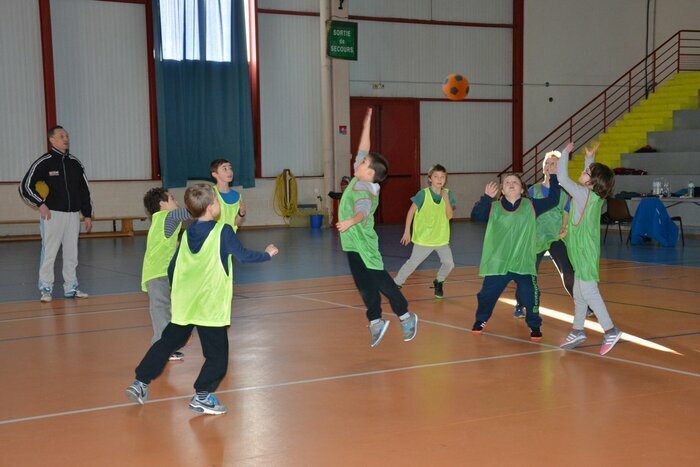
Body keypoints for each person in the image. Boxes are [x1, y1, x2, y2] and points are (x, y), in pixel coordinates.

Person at [126, 183, 278, 415]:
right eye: (216, 201)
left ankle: (140, 381)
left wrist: (179, 291)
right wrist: (267, 255)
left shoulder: (187, 233)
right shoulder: (222, 231)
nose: (218, 204)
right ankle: (202, 396)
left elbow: (173, 267)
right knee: (217, 356)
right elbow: (244, 256)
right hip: (209, 304)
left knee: (166, 343)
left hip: (186, 303)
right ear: (211, 207)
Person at [336, 108, 418, 347]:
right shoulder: (360, 177)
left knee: (382, 283)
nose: (358, 161)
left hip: (364, 245)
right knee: (364, 286)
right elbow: (364, 148)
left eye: (363, 162)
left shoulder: (364, 189)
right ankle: (376, 322)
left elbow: (361, 212)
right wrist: (367, 123)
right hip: (352, 245)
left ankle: (406, 316)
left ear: (369, 172)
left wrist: (351, 220)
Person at [470, 171, 560, 341]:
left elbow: (554, 200)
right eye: (507, 182)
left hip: (523, 263)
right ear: (502, 190)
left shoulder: (531, 205)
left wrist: (554, 177)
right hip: (498, 263)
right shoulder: (493, 207)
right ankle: (481, 320)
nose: (511, 184)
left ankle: (534, 325)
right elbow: (476, 216)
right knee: (486, 296)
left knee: (531, 295)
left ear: (521, 189)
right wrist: (486, 198)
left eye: (515, 182)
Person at [557, 142, 622, 355]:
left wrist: (565, 154)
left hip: (584, 252)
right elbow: (590, 180)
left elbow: (562, 179)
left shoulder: (584, 195)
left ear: (592, 182)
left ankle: (610, 330)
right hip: (580, 251)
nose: (583, 173)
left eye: (586, 172)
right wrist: (589, 159)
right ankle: (577, 330)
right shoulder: (591, 196)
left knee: (589, 292)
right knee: (579, 292)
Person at [19, 126, 93, 303]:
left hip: (73, 215)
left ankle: (71, 287)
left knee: (71, 253)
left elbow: (84, 190)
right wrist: (40, 204)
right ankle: (46, 288)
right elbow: (25, 186)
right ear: (52, 140)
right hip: (53, 215)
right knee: (49, 253)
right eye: (61, 136)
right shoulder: (44, 162)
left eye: (67, 135)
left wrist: (87, 214)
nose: (65, 138)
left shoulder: (75, 163)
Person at [513, 151, 576, 318]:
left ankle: (582, 303)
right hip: (535, 238)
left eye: (554, 163)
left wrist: (564, 227)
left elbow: (566, 213)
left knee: (568, 272)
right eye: (547, 163)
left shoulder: (564, 193)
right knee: (528, 273)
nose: (550, 166)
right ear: (543, 168)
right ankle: (521, 303)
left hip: (555, 237)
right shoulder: (533, 191)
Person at [141, 187, 191, 361]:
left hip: (163, 272)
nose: (176, 202)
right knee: (161, 309)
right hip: (157, 272)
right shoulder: (167, 216)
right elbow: (191, 211)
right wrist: (209, 200)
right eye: (172, 199)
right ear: (162, 204)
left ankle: (165, 346)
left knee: (166, 308)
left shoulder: (161, 220)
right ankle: (161, 348)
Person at [394, 164, 456, 298]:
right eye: (436, 176)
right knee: (412, 263)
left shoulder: (448, 194)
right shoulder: (423, 194)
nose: (439, 179)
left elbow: (450, 216)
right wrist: (406, 231)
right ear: (430, 179)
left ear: (445, 179)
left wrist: (446, 199)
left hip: (441, 238)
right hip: (424, 238)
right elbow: (411, 212)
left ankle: (439, 281)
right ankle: (396, 283)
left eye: (442, 177)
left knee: (449, 263)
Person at [210, 159, 246, 232]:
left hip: (230, 238)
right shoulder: (210, 193)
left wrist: (241, 214)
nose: (229, 172)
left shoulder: (237, 196)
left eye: (230, 168)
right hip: (214, 239)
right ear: (215, 174)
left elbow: (235, 224)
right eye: (225, 169)